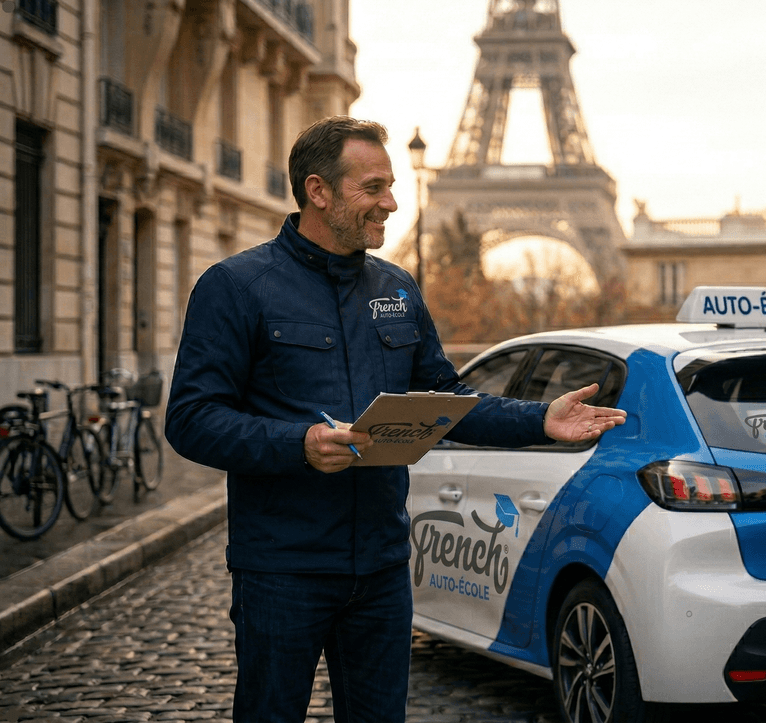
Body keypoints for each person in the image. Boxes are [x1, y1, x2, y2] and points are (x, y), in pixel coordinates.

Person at [165, 116, 626, 723]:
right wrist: (296, 443)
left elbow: (449, 401)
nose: (391, 201)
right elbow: (191, 418)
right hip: (283, 568)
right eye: (373, 187)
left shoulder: (398, 288)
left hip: (381, 569)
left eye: (390, 185)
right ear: (318, 191)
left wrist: (541, 420)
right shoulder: (236, 287)